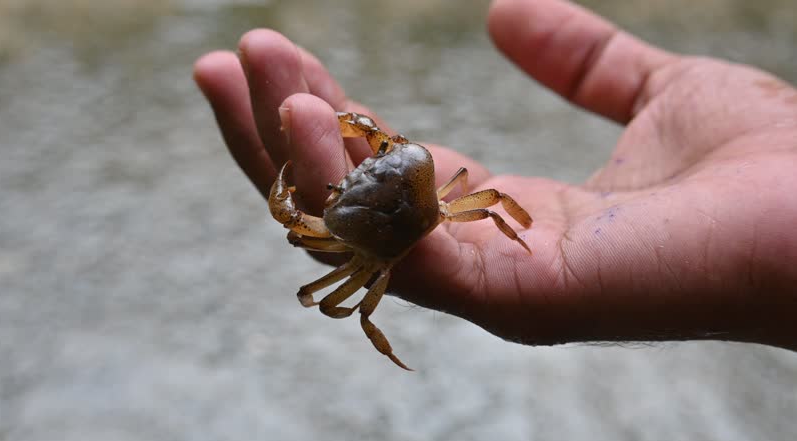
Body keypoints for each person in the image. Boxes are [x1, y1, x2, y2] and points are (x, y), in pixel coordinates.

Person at [194, 0, 797, 351]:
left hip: (376, 253)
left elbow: (310, 260)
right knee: (481, 200)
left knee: (335, 261)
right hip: (439, 209)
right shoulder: (437, 183)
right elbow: (481, 195)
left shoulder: (353, 249)